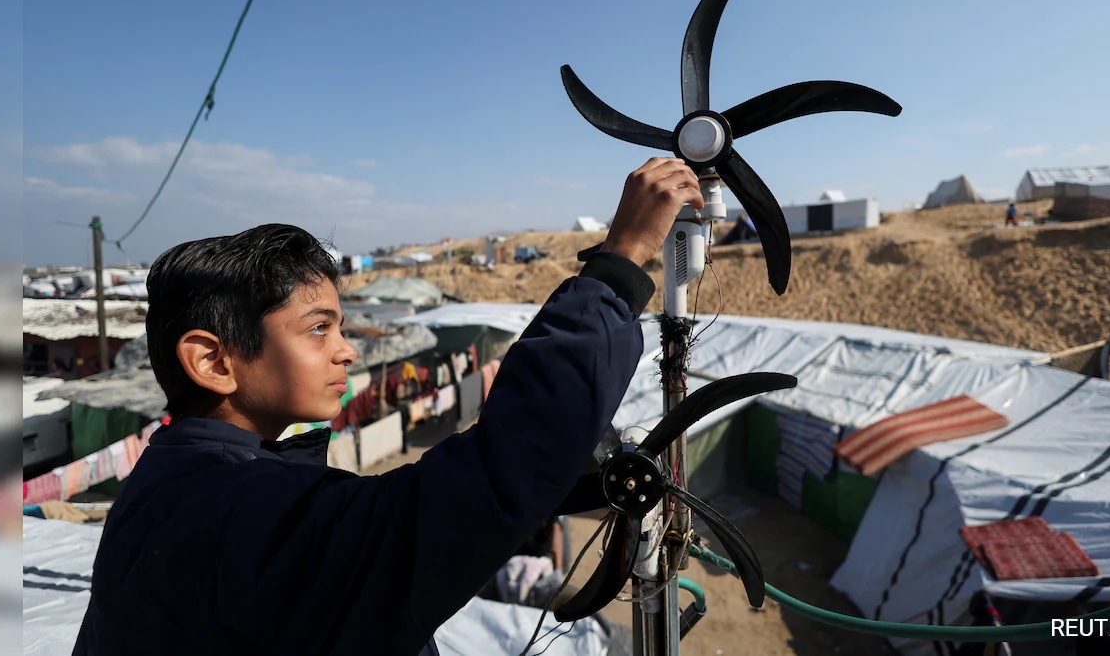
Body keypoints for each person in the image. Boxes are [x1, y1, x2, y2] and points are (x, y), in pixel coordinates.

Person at [72, 157, 704, 656]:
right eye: (318, 328)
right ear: (213, 362)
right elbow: (483, 484)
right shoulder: (254, 509)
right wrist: (621, 262)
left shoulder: (166, 484)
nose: (347, 352)